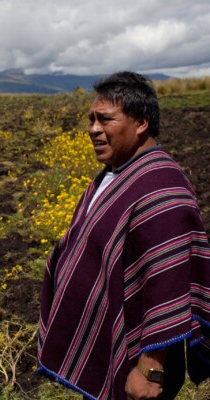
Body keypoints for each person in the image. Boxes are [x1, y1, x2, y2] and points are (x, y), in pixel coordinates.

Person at [37, 71, 210, 400]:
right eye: (91, 119)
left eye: (105, 119)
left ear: (141, 123)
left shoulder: (162, 188)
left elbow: (169, 284)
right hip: (114, 345)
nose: (93, 130)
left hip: (139, 363)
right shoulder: (117, 172)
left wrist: (149, 370)